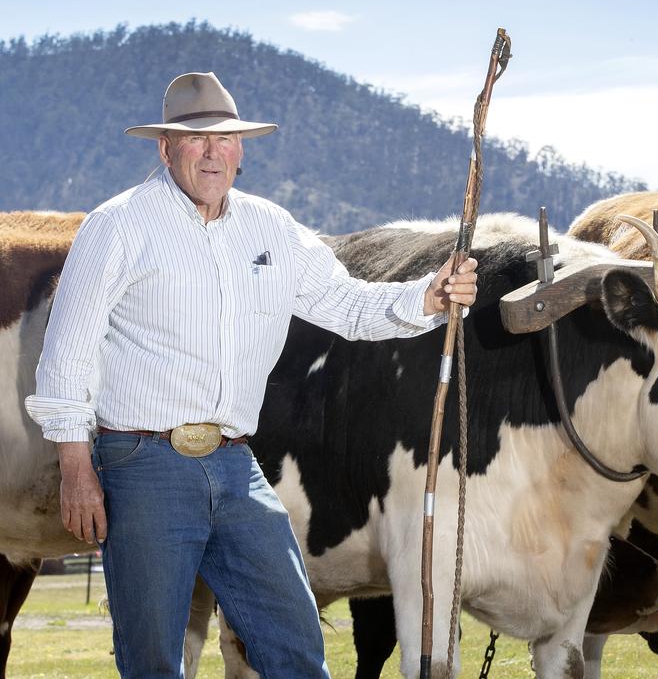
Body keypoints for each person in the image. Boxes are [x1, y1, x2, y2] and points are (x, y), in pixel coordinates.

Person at [24, 71, 478, 678]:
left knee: (293, 642)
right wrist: (76, 466)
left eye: (226, 139)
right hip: (142, 464)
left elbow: (345, 305)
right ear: (166, 147)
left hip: (237, 464)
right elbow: (67, 352)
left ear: (242, 149)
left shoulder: (270, 228)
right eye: (196, 139)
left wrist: (430, 296)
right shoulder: (118, 225)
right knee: (153, 658)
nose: (213, 152)